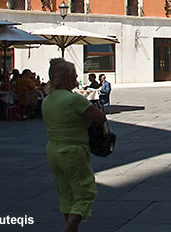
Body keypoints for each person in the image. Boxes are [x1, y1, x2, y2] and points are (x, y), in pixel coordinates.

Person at [42, 58, 106, 232]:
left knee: (66, 194)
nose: (77, 79)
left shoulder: (47, 99)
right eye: (75, 76)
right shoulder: (73, 99)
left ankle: (70, 228)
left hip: (53, 150)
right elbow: (100, 117)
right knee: (85, 193)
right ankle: (68, 229)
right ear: (67, 78)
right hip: (73, 150)